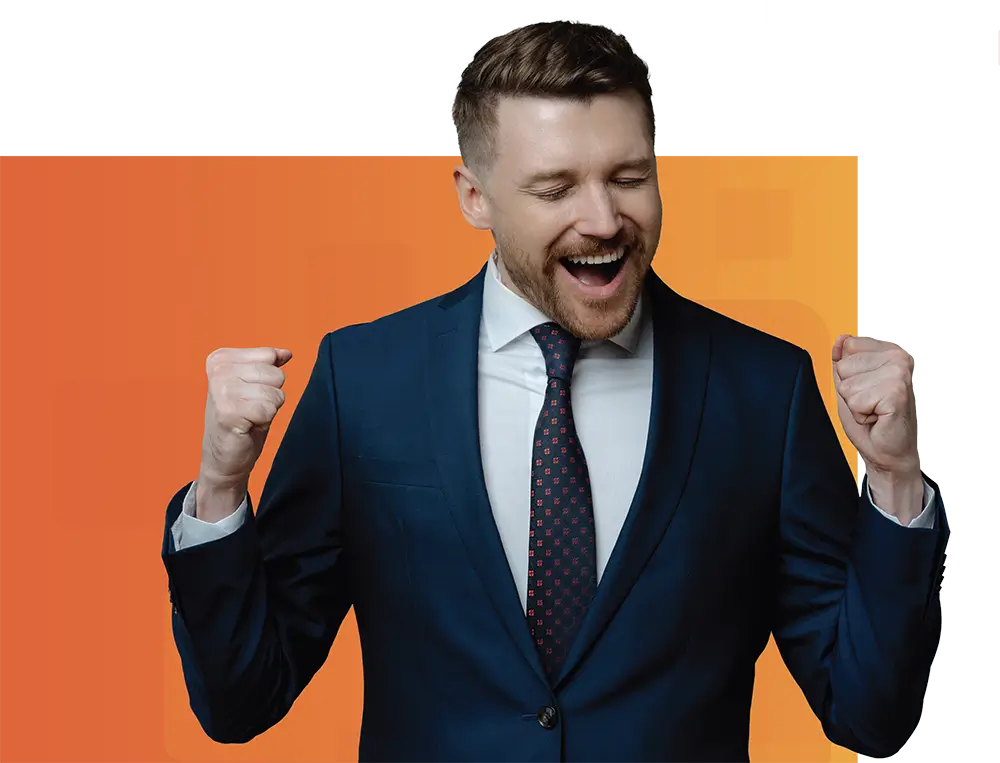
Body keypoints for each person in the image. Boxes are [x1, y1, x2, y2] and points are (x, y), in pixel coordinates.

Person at [160, 20, 949, 763]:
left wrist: (894, 479)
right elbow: (243, 702)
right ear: (474, 197)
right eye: (555, 187)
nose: (603, 218)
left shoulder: (763, 390)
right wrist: (221, 487)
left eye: (629, 177)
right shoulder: (361, 378)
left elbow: (869, 713)